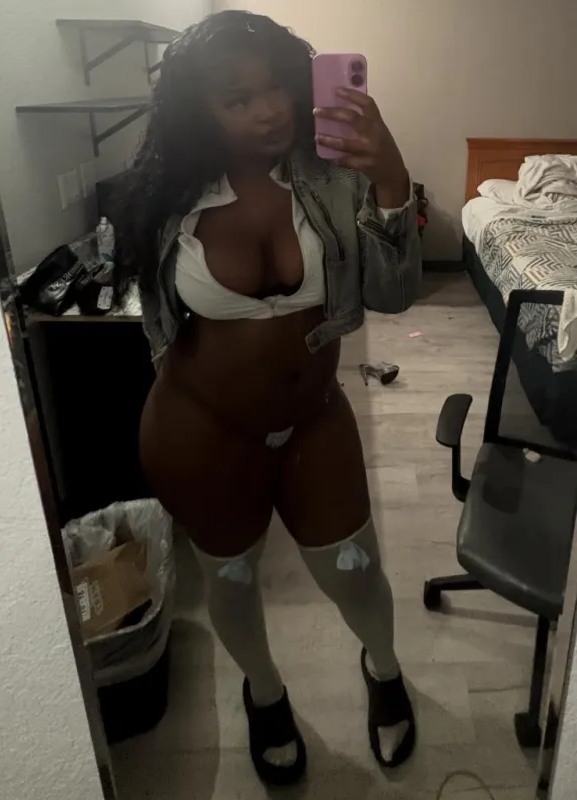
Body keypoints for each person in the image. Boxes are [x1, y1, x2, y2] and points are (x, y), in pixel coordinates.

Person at [115, 10, 422, 787]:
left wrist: (391, 177)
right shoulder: (167, 199)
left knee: (356, 571)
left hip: (314, 417)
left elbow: (395, 295)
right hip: (201, 432)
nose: (270, 110)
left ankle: (383, 665)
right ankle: (264, 691)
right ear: (198, 111)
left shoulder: (333, 172)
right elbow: (156, 322)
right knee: (232, 578)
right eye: (237, 98)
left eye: (278, 86)